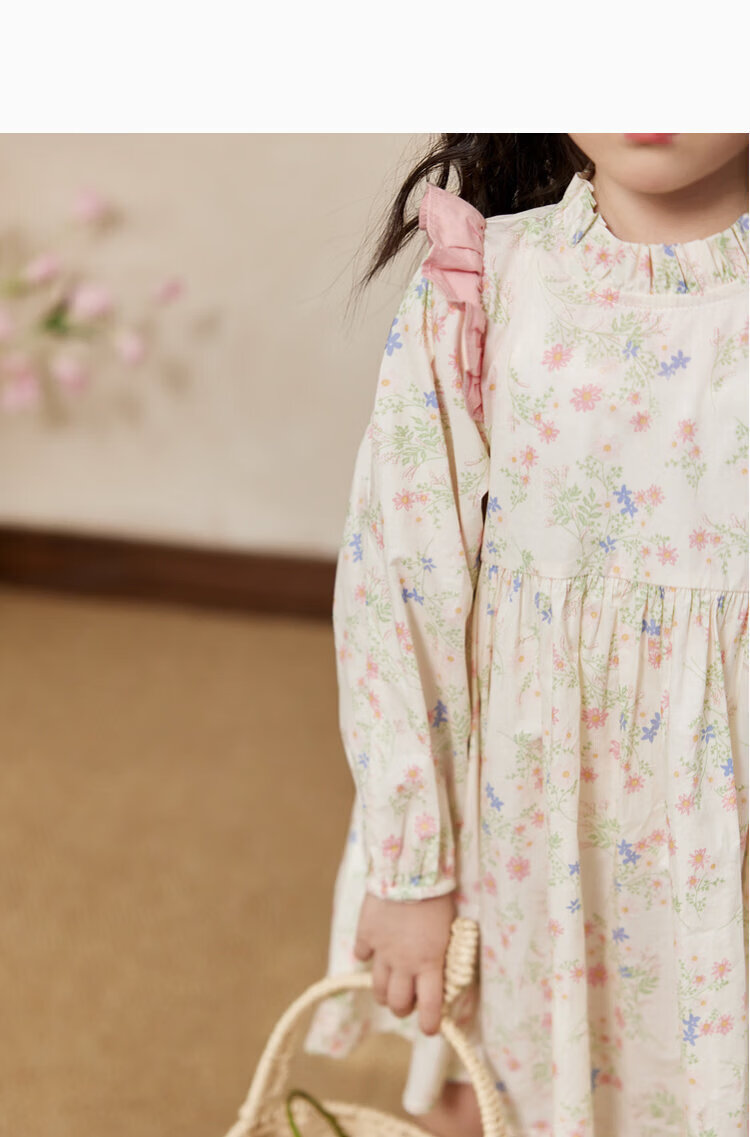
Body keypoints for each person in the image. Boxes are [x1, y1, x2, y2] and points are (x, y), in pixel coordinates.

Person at [303, 134, 749, 1137]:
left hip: (728, 829)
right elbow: (399, 589)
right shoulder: (485, 287)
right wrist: (411, 868)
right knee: (506, 1092)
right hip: (531, 829)